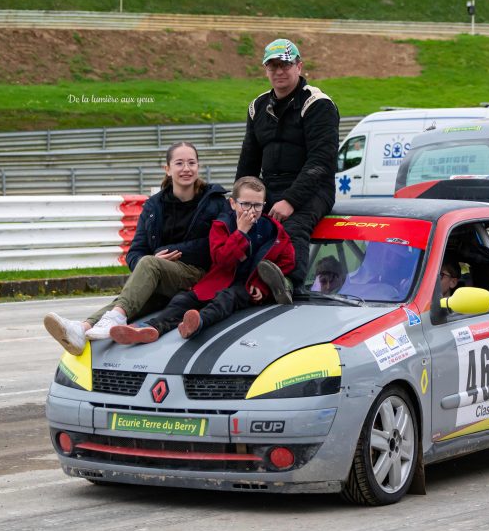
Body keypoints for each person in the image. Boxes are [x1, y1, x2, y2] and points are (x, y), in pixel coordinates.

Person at [43, 142, 228, 354]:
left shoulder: (214, 201)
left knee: (148, 265)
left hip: (199, 276)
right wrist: (151, 264)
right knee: (131, 295)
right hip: (161, 277)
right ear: (167, 169)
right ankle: (82, 329)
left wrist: (160, 257)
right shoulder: (154, 206)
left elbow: (211, 245)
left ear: (198, 166)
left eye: (191, 163)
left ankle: (111, 318)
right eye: (179, 163)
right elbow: (135, 252)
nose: (186, 168)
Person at [110, 176, 295, 344]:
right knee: (182, 299)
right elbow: (222, 260)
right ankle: (151, 328)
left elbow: (288, 259)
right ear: (232, 204)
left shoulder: (273, 229)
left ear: (264, 205)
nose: (252, 211)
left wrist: (261, 284)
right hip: (217, 280)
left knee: (226, 299)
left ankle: (198, 323)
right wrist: (240, 233)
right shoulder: (222, 225)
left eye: (257, 205)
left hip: (245, 286)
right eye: (245, 204)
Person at [236, 38, 340, 301]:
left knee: (293, 226)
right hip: (270, 187)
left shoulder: (318, 104)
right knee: (233, 222)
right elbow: (249, 160)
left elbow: (321, 161)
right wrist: (239, 200)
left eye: (285, 64)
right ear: (265, 70)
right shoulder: (257, 106)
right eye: (272, 66)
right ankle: (236, 279)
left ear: (299, 66)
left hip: (314, 188)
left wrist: (291, 201)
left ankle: (289, 285)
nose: (279, 71)